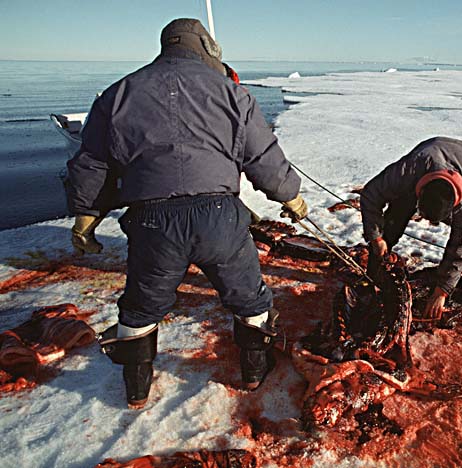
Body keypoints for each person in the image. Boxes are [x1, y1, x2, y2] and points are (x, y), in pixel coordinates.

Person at [65, 18, 308, 408]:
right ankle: (253, 371)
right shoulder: (232, 93)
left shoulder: (118, 93)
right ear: (207, 47)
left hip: (152, 221)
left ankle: (137, 388)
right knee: (249, 297)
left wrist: (86, 217)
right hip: (220, 218)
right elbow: (262, 155)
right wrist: (290, 197)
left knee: (142, 305)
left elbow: (93, 162)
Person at [360, 137, 462, 323]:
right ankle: (374, 275)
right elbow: (371, 194)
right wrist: (376, 238)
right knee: (395, 218)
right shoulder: (408, 171)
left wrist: (442, 291)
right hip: (427, 163)